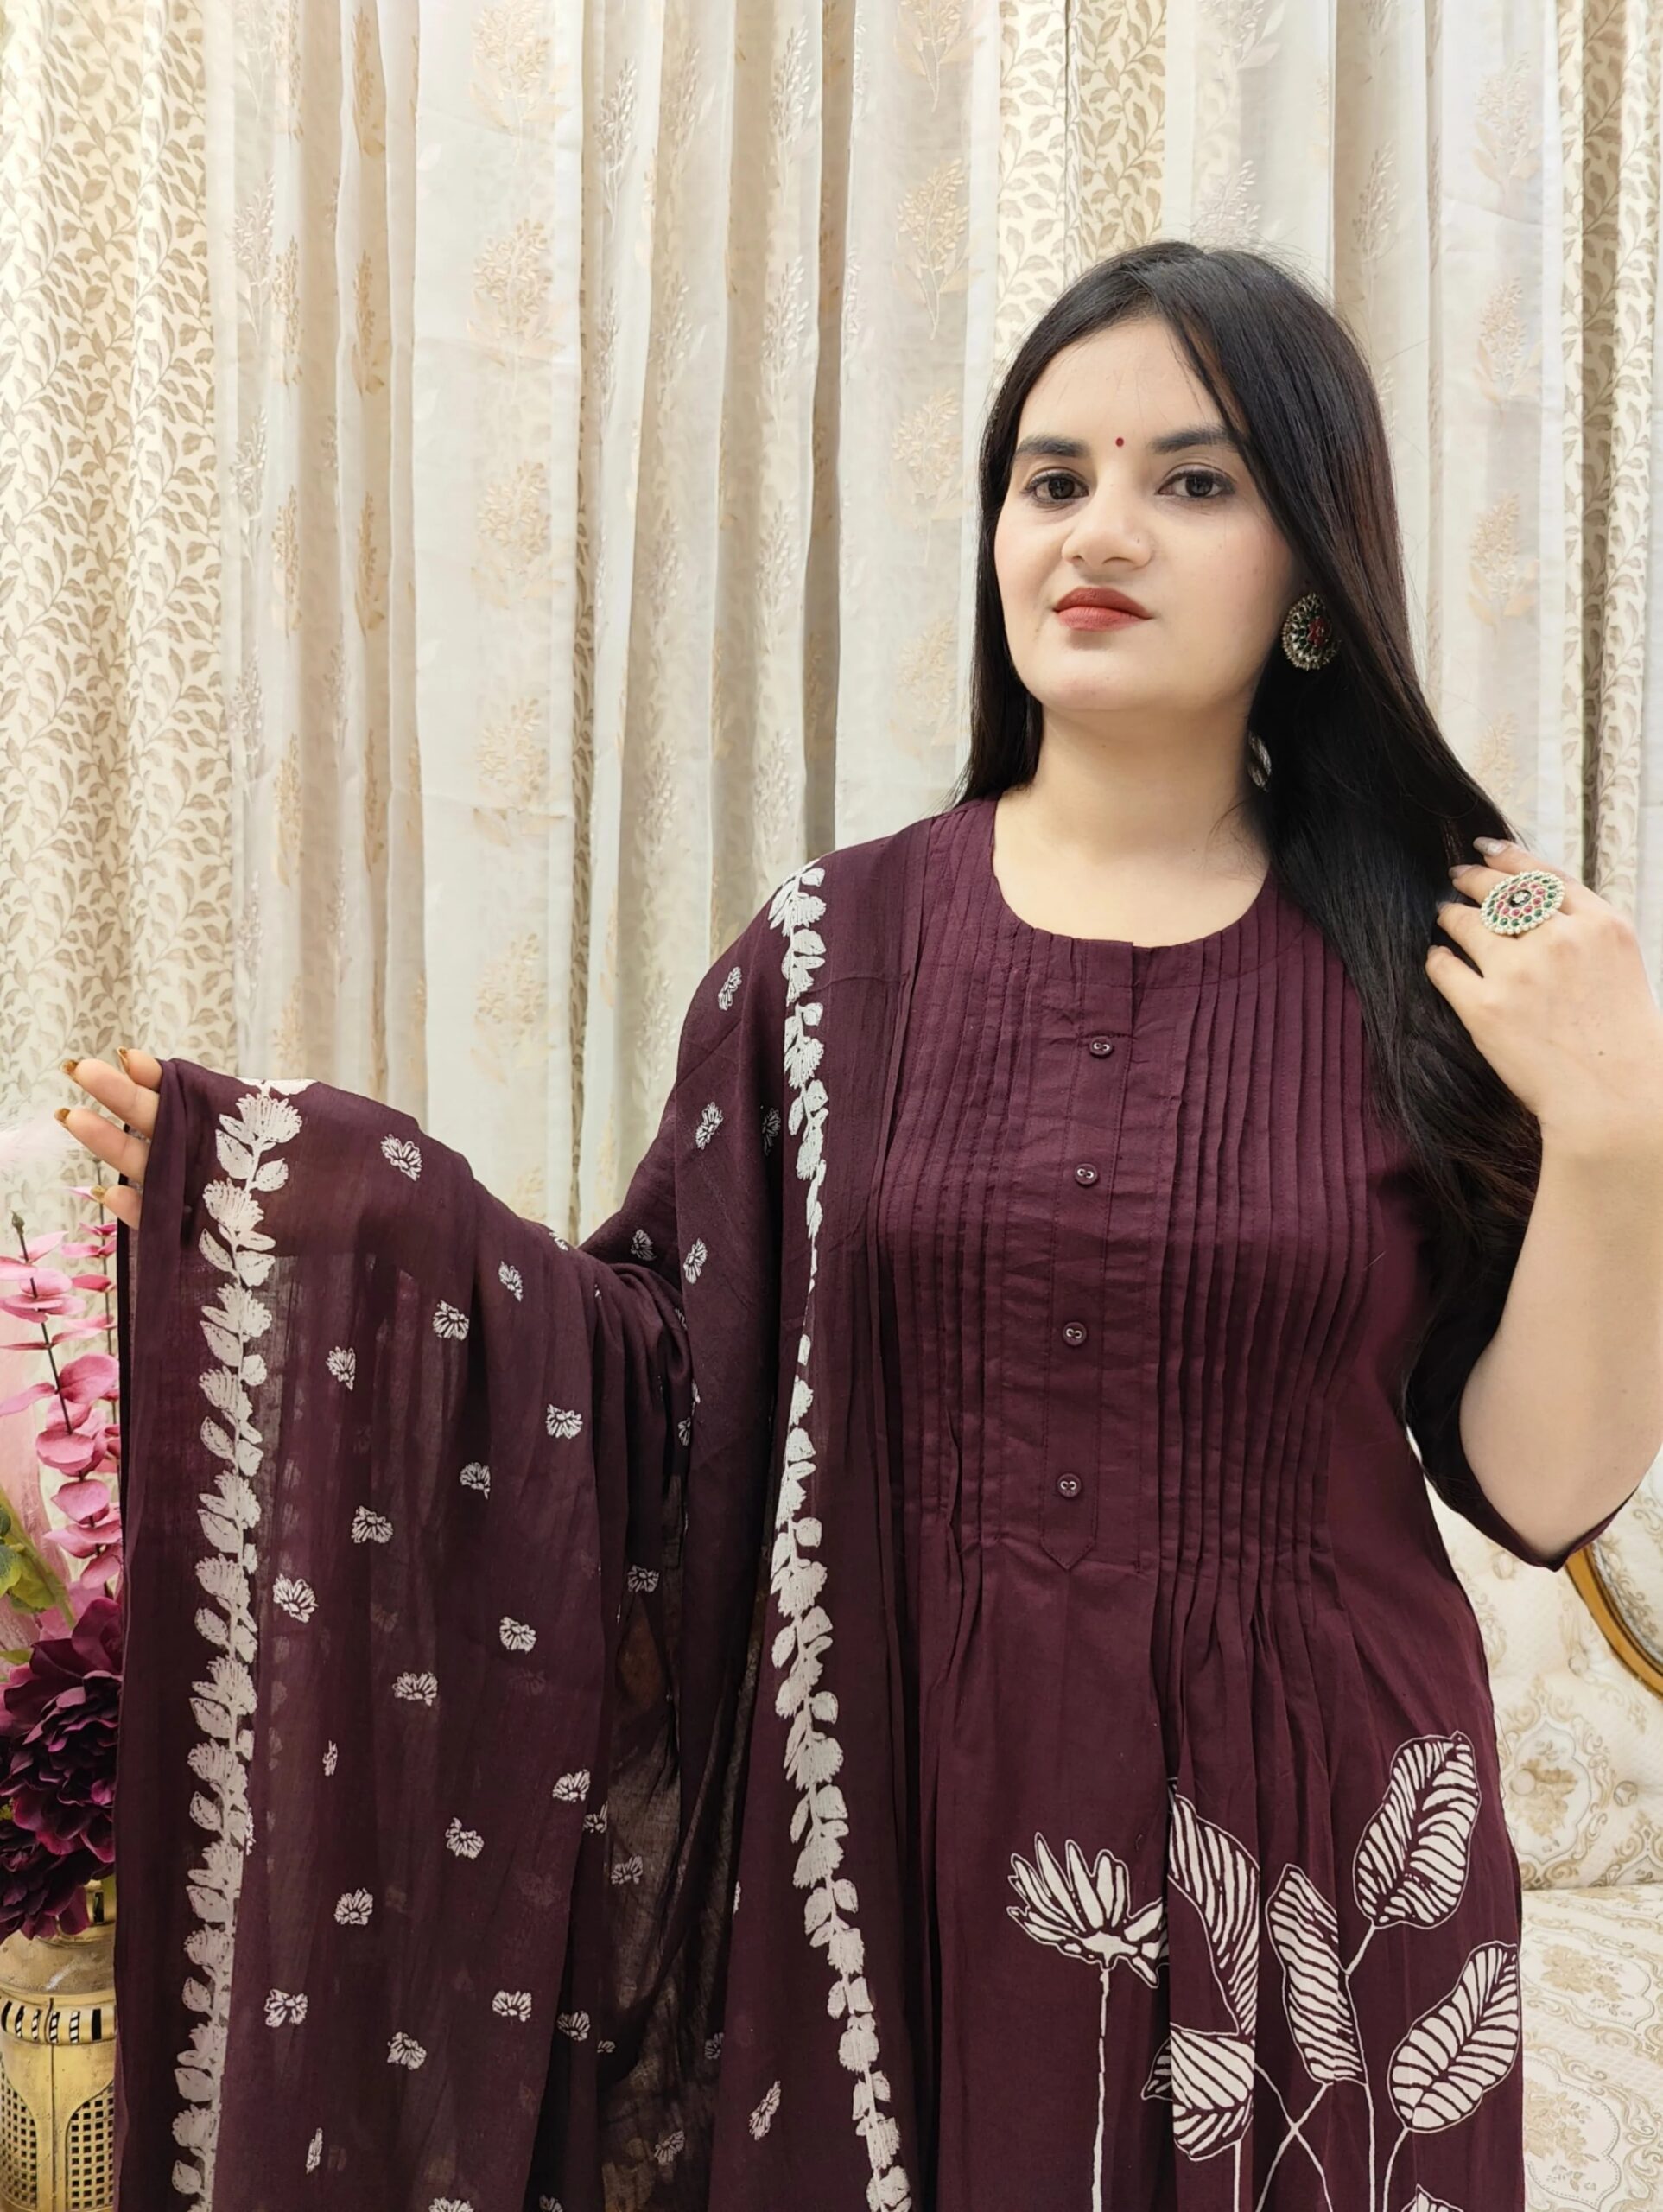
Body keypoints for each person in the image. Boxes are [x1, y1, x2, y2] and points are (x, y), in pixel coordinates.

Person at [62, 241, 1655, 2211]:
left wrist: (1618, 1127)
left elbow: (1539, 1486)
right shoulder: (833, 953)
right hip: (894, 1810)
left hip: (1320, 1851)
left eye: (1193, 479)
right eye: (1052, 477)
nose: (1100, 530)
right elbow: (654, 1371)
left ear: (1313, 571)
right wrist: (350, 1214)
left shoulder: (1447, 953)